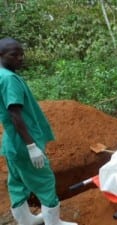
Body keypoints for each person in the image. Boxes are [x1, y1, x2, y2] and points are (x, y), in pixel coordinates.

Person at [0, 37, 77, 225]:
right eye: (14, 54)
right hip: (23, 142)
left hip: (11, 141)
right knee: (45, 181)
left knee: (16, 182)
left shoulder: (2, 75)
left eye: (21, 54)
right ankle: (54, 222)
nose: (20, 58)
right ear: (1, 55)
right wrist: (31, 146)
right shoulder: (10, 80)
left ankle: (26, 221)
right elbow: (15, 114)